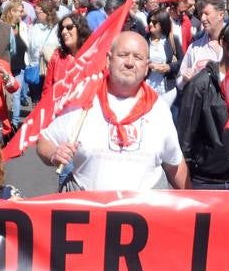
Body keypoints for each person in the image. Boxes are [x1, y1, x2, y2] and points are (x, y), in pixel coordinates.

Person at [36, 31, 189, 192]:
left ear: (146, 67)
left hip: (143, 212)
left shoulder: (159, 109)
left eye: (138, 57)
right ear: (108, 60)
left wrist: (195, 206)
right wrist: (54, 154)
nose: (130, 62)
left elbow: (175, 165)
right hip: (86, 209)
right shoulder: (84, 101)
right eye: (123, 55)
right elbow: (44, 141)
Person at [176, 17, 229, 190]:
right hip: (204, 183)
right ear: (224, 42)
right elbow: (184, 140)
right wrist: (189, 181)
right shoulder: (201, 84)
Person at [0, 0, 28, 129]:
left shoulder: (22, 26)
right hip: (5, 68)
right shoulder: (2, 27)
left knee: (16, 94)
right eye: (19, 11)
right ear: (12, 11)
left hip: (19, 67)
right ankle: (5, 121)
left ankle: (14, 123)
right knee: (4, 97)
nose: (22, 14)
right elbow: (10, 49)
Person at [42, 13, 91, 102]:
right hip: (58, 111)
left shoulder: (91, 56)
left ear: (80, 29)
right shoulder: (57, 57)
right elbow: (47, 91)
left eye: (69, 27)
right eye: (62, 29)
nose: (64, 31)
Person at [177, 0, 226, 88]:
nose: (202, 18)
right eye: (201, 14)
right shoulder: (194, 47)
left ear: (220, 15)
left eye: (207, 14)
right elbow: (179, 82)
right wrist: (184, 79)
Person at [145, 9, 180, 96]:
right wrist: (150, 65)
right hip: (147, 86)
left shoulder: (172, 40)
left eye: (154, 22)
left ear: (162, 23)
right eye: (150, 21)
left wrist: (169, 67)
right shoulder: (144, 40)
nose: (150, 24)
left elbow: (183, 61)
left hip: (166, 88)